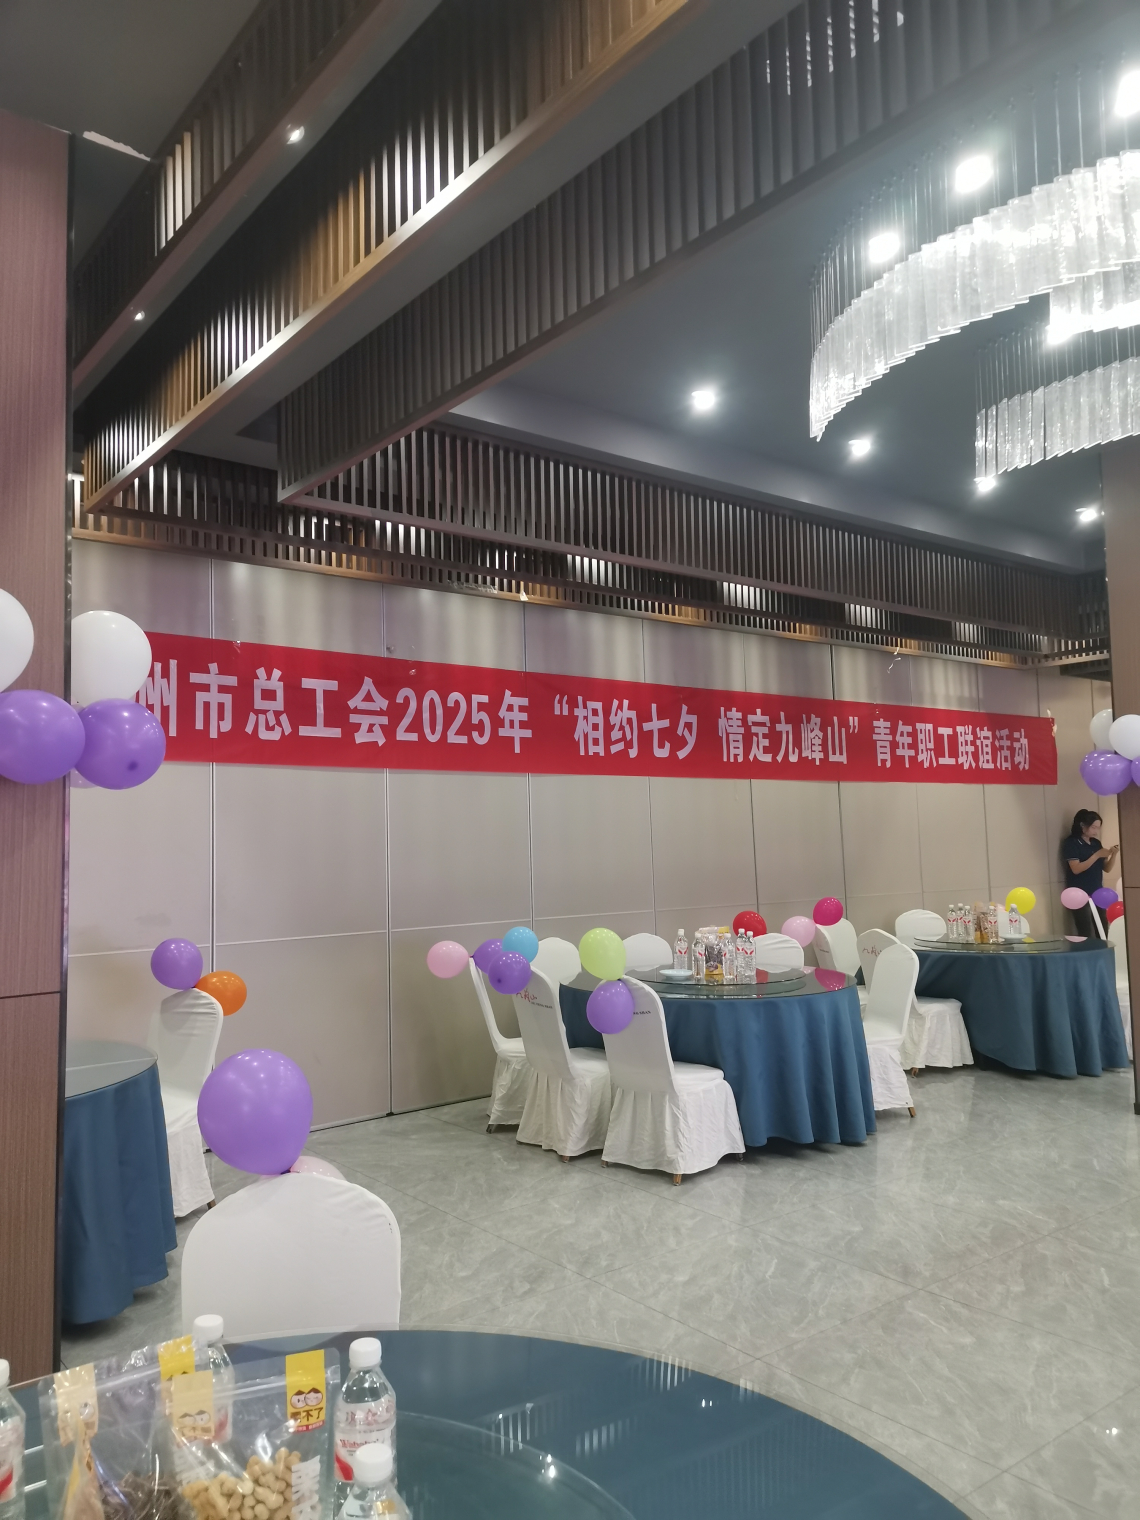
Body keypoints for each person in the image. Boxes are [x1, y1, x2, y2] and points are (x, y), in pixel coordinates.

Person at [1062, 809, 1118, 938]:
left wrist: (1113, 855)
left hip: (1097, 890)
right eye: (1093, 827)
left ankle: (1103, 949)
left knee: (1103, 928)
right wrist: (1097, 855)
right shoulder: (1072, 843)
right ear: (1082, 825)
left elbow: (1106, 868)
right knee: (1085, 930)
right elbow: (1076, 868)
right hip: (1079, 892)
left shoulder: (1095, 843)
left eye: (1098, 828)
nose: (1096, 831)